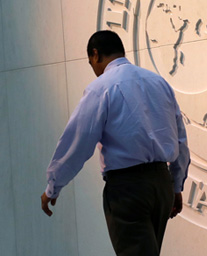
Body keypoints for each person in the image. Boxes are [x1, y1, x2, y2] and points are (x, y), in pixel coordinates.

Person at [41, 30, 190, 256]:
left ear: (95, 54)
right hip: (161, 184)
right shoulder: (158, 82)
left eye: (90, 62)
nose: (93, 68)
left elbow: (77, 142)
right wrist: (176, 185)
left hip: (127, 188)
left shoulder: (101, 87)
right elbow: (180, 139)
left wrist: (53, 186)